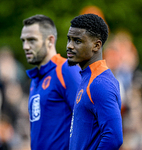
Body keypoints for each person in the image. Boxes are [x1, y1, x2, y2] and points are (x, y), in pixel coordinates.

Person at [20, 14, 81, 150]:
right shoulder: (35, 80)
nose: (25, 46)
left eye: (31, 40)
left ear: (50, 40)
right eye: (23, 40)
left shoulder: (66, 69)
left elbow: (89, 117)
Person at [66, 13, 123, 149]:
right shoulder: (88, 78)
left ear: (96, 45)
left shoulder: (100, 84)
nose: (69, 46)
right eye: (69, 39)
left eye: (77, 41)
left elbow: (114, 137)